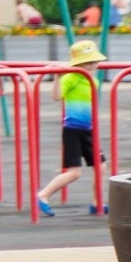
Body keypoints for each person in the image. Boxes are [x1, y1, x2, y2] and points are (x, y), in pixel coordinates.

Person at [36, 41, 108, 217]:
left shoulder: (94, 81)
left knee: (101, 166)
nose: (92, 66)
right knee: (74, 173)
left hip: (88, 130)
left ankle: (96, 202)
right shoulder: (71, 77)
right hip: (73, 130)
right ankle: (43, 195)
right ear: (78, 64)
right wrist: (58, 77)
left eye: (94, 62)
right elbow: (56, 96)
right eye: (88, 62)